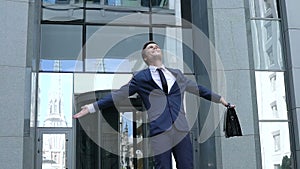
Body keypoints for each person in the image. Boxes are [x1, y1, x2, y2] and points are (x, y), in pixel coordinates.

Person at [73, 41, 234, 169]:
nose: (155, 47)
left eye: (156, 46)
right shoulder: (140, 78)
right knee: (163, 166)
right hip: (160, 131)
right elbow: (119, 95)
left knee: (187, 166)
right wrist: (92, 107)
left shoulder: (177, 74)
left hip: (181, 129)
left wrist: (220, 99)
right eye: (150, 48)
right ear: (145, 57)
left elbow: (199, 89)